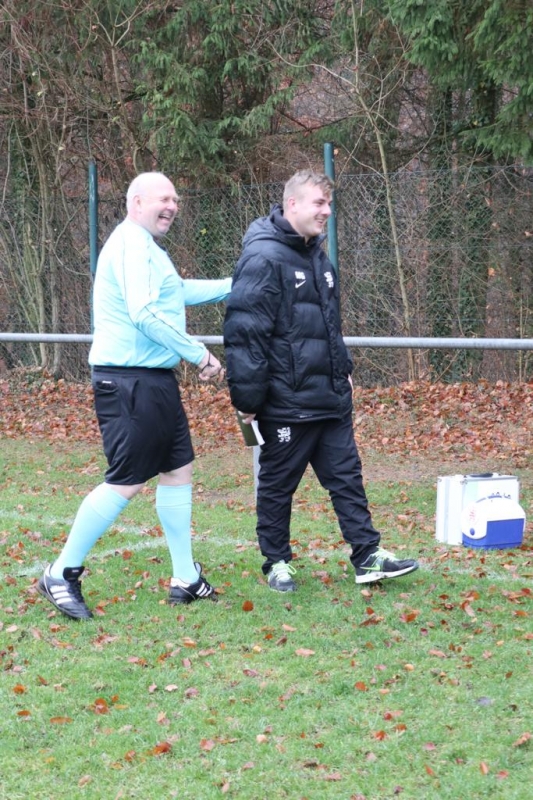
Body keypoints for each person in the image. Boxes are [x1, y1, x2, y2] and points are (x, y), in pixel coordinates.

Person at [38, 171, 231, 619]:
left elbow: (176, 292)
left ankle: (185, 577)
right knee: (125, 480)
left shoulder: (149, 249)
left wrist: (236, 284)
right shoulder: (131, 244)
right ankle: (61, 572)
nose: (172, 206)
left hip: (154, 381)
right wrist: (198, 354)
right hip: (128, 382)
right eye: (164, 198)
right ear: (136, 202)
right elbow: (143, 313)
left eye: (176, 200)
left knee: (177, 470)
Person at [223, 169, 419, 592]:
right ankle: (277, 562)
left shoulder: (317, 256)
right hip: (286, 404)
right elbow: (245, 335)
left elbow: (329, 324)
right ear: (292, 204)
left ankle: (367, 555)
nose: (327, 211)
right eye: (319, 203)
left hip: (329, 399)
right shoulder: (263, 258)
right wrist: (248, 400)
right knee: (278, 486)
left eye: (328, 204)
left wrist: (343, 370)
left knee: (347, 479)